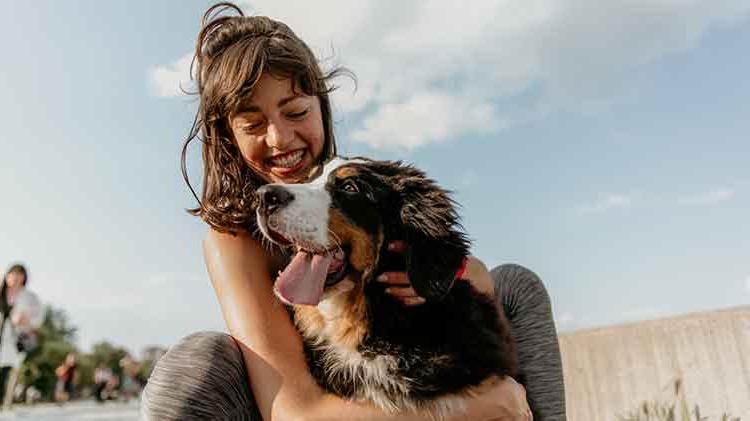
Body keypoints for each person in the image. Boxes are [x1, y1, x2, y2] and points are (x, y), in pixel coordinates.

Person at [142, 3, 566, 420]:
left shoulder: (352, 187)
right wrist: (474, 408)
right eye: (253, 124)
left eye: (295, 112)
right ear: (228, 135)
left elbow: (468, 271)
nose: (279, 138)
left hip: (409, 364)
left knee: (514, 284)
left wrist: (437, 277)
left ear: (321, 107)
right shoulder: (234, 242)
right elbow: (296, 413)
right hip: (315, 408)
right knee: (195, 362)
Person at [0, 263, 43, 409]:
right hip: (2, 334)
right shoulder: (1, 293)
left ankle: (7, 401)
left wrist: (28, 320)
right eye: (12, 275)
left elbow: (39, 317)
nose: (15, 279)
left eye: (19, 276)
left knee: (12, 369)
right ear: (7, 276)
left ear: (24, 279)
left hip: (17, 337)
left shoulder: (30, 297)